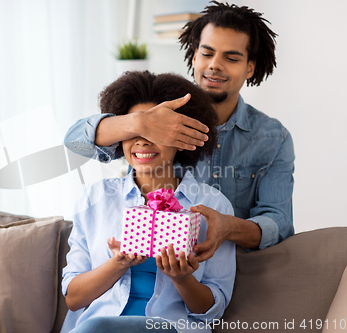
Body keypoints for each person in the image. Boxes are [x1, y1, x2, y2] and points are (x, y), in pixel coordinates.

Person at [64, 1, 294, 261]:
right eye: (207, 54)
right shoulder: (156, 114)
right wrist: (139, 123)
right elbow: (74, 141)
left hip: (229, 269)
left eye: (231, 58)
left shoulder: (273, 138)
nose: (215, 65)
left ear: (249, 67)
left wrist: (228, 227)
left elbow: (280, 223)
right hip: (152, 266)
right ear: (194, 56)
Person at [61, 71, 236, 333]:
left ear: (182, 138)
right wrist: (117, 263)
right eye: (135, 129)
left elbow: (213, 309)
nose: (142, 140)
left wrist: (182, 278)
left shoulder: (212, 206)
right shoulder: (95, 199)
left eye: (156, 131)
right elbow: (73, 299)